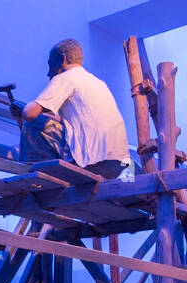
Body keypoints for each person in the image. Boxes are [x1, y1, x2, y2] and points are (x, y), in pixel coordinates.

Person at [14, 38, 129, 180]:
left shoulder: (65, 77)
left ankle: (37, 176)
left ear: (62, 59)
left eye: (51, 65)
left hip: (92, 161)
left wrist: (24, 109)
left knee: (33, 124)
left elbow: (28, 113)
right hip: (120, 164)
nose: (48, 74)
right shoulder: (98, 83)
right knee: (49, 123)